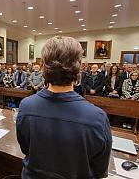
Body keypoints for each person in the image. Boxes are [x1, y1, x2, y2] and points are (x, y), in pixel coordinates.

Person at [16, 36, 112, 179]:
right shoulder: (97, 117)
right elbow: (100, 170)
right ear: (78, 69)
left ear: (43, 67)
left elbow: (26, 149)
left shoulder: (26, 106)